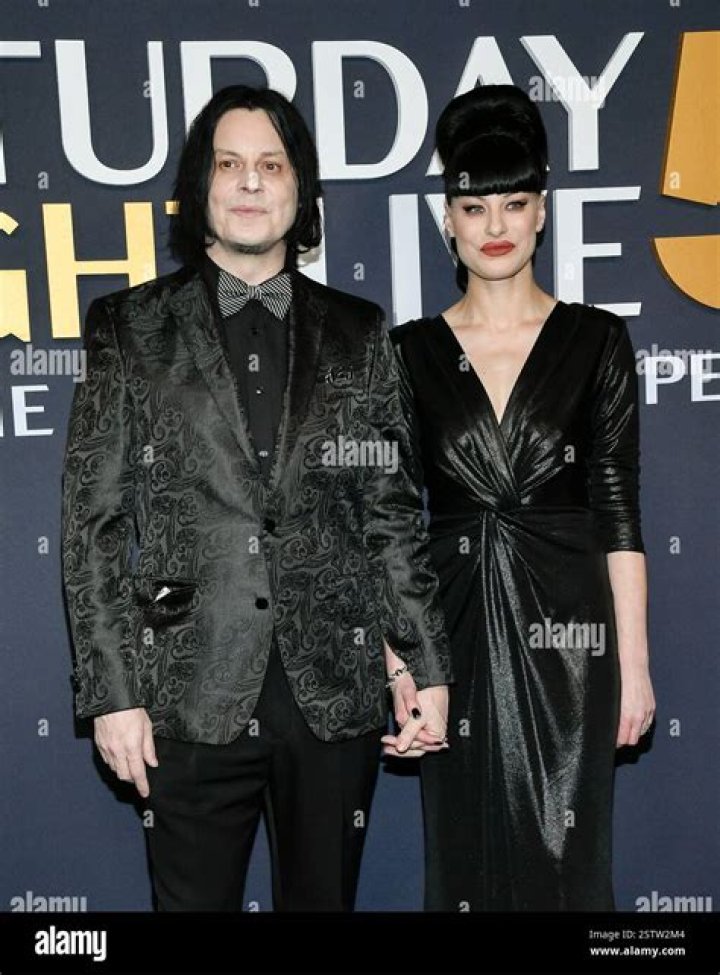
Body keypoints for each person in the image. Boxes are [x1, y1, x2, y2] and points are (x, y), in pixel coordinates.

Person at [61, 84, 451, 912]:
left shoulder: (359, 330)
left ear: (299, 188)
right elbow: (93, 525)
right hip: (187, 694)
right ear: (199, 185)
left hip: (331, 691)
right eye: (229, 164)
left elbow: (388, 511)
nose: (249, 182)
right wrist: (112, 693)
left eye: (270, 165)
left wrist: (421, 663)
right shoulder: (129, 326)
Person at [389, 85, 655, 911]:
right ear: (449, 221)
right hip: (453, 638)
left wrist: (635, 667)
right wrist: (404, 666)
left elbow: (618, 510)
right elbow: (387, 522)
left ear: (542, 211)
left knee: (570, 868)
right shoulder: (409, 353)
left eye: (513, 203)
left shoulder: (598, 340)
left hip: (573, 642)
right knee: (464, 860)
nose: (495, 225)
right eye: (474, 207)